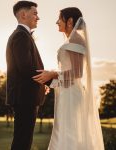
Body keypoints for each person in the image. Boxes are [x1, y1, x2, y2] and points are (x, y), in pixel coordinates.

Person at [33, 7, 105, 150]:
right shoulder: (72, 39)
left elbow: (77, 73)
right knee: (65, 131)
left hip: (72, 94)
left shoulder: (76, 39)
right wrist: (52, 81)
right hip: (67, 92)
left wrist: (53, 74)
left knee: (69, 132)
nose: (57, 22)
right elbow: (69, 73)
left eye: (60, 19)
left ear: (70, 21)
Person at [6, 1, 50, 150]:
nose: (38, 17)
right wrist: (49, 81)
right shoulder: (21, 36)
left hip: (25, 96)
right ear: (24, 15)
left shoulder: (23, 35)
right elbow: (26, 68)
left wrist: (42, 83)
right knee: (22, 141)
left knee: (23, 139)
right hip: (24, 97)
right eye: (35, 13)